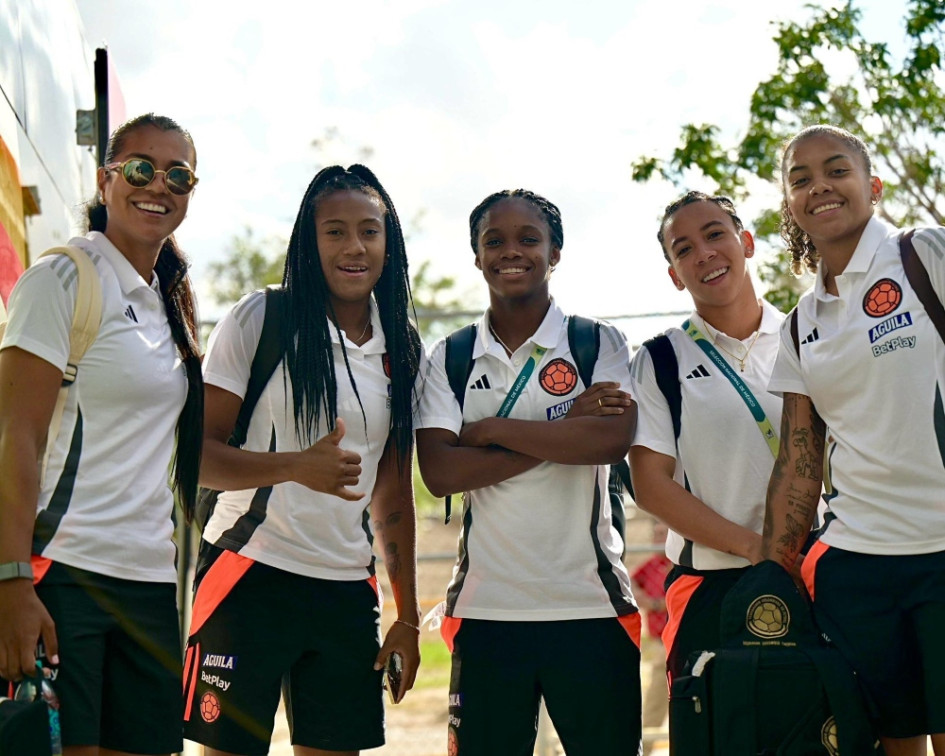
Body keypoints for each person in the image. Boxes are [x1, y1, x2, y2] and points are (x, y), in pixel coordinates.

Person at [183, 165, 424, 756]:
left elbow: (392, 495)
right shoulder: (263, 318)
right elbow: (196, 459)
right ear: (307, 242)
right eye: (334, 231)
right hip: (248, 572)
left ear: (388, 245)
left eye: (369, 231)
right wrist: (294, 466)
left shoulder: (404, 344)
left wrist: (408, 616)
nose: (354, 247)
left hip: (344, 590)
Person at [0, 113, 203, 755]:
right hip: (65, 577)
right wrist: (10, 582)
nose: (159, 185)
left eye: (180, 175)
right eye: (142, 168)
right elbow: (16, 438)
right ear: (106, 178)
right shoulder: (62, 278)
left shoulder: (165, 301)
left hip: (148, 582)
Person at [416, 188, 641, 756]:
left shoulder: (597, 342)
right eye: (494, 241)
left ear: (555, 252)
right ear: (476, 255)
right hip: (488, 612)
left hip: (590, 605)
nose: (510, 252)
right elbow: (441, 471)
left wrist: (491, 430)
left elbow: (610, 440)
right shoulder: (450, 355)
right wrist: (567, 429)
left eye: (528, 239)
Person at [761, 124, 945, 756]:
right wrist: (773, 574)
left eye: (836, 170)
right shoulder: (799, 325)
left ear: (874, 184)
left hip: (944, 548)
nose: (820, 187)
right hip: (859, 566)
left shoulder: (927, 255)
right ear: (789, 205)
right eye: (801, 178)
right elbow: (798, 461)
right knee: (894, 743)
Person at [629, 191, 784, 690]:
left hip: (817, 575)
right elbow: (651, 486)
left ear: (747, 242)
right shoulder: (659, 360)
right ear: (675, 274)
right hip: (713, 587)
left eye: (715, 234)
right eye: (684, 248)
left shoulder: (808, 333)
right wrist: (754, 547)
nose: (704, 254)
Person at [629, 518, 671, 756]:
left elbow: (679, 600)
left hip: (672, 639)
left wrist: (655, 604)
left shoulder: (677, 565)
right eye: (656, 535)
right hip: (657, 640)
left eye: (663, 535)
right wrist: (640, 595)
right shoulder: (652, 564)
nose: (658, 540)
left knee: (660, 689)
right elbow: (630, 579)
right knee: (655, 694)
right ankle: (645, 748)